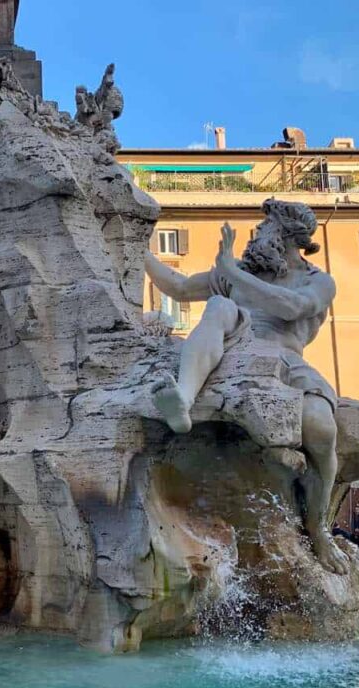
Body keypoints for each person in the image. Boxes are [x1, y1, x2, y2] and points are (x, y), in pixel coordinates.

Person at [146, 201, 346, 574]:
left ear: (285, 234)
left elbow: (292, 307)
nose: (255, 233)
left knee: (321, 426)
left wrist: (233, 274)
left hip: (287, 360)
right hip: (235, 349)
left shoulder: (316, 281)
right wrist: (135, 246)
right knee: (219, 305)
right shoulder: (233, 275)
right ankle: (184, 400)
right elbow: (177, 286)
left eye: (264, 226)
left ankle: (318, 526)